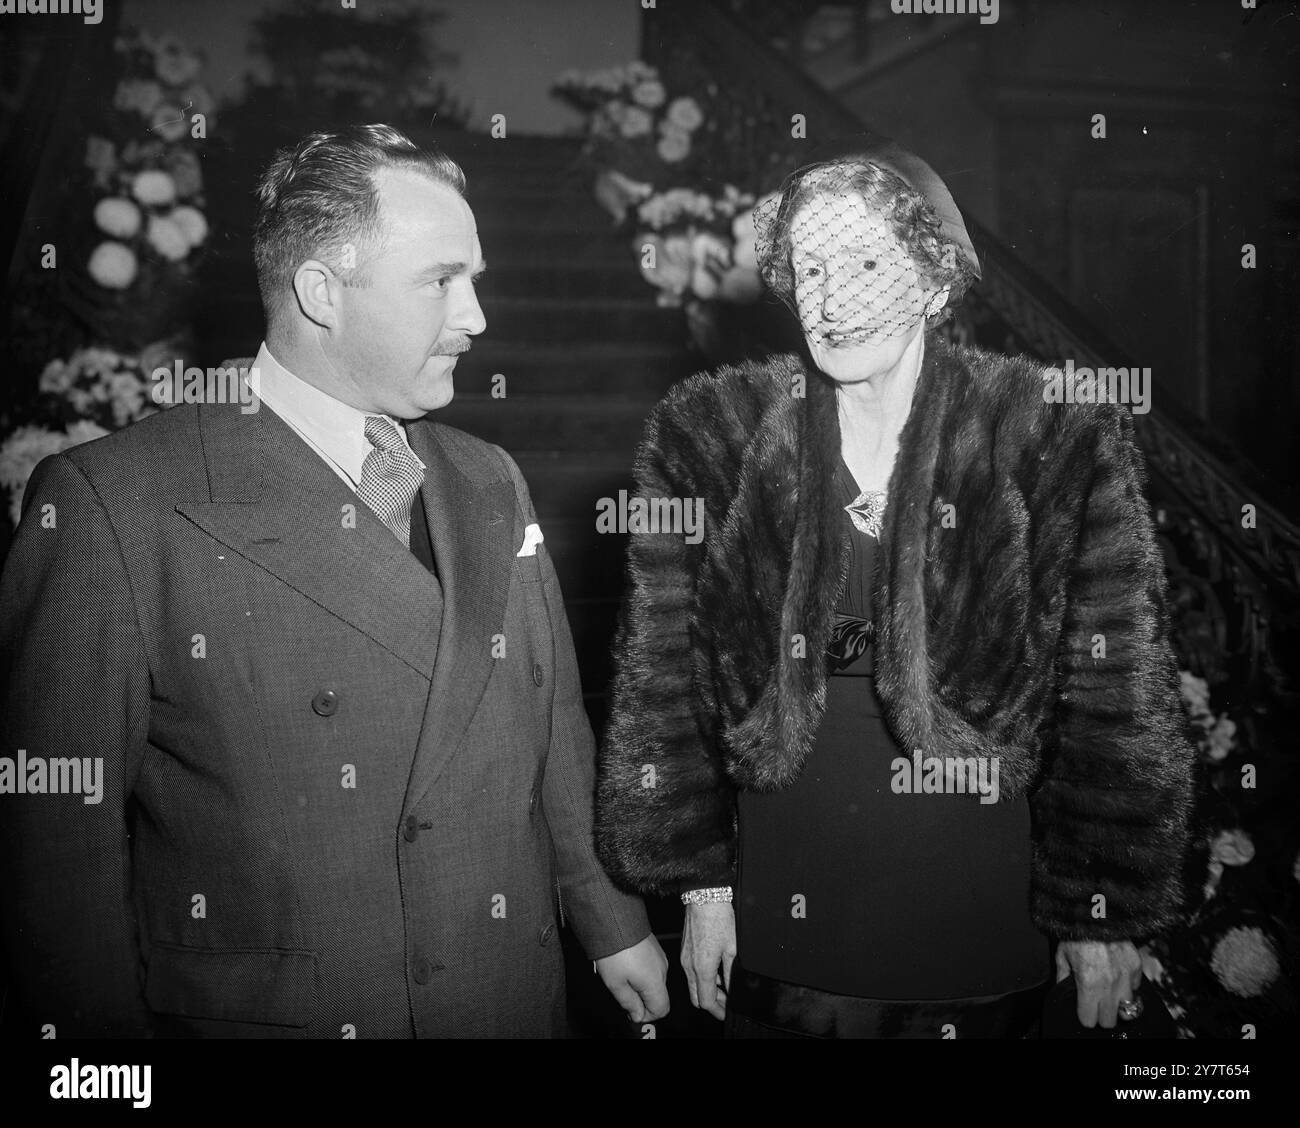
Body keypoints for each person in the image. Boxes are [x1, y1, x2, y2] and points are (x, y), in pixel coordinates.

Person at [0, 123, 668, 1038]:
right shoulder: (113, 503)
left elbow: (547, 719)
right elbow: (55, 856)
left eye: (474, 279)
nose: (477, 318)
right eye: (441, 281)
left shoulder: (488, 478)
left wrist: (607, 918)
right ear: (321, 293)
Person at [596, 142, 1194, 1038]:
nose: (836, 300)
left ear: (934, 277)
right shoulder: (709, 434)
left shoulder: (1048, 431)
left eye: (870, 263)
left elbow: (1115, 692)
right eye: (812, 269)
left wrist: (1101, 907)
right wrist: (703, 884)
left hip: (985, 900)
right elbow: (661, 684)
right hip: (785, 907)